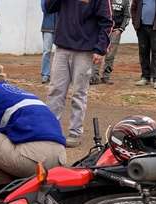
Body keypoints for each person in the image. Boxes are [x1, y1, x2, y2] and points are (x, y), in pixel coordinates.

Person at [45, 0, 113, 148]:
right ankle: (50, 131)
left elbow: (106, 21)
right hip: (62, 47)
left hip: (85, 50)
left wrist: (100, 48)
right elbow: (49, 8)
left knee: (79, 93)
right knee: (55, 91)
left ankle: (75, 133)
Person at [90, 0, 130, 85]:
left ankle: (106, 77)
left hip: (115, 31)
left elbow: (127, 16)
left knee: (110, 55)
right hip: (102, 31)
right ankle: (94, 77)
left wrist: (121, 29)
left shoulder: (125, 1)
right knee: (98, 52)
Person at [131, 0, 156, 90]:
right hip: (142, 28)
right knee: (143, 52)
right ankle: (145, 77)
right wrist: (135, 23)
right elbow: (133, 8)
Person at [40, 0, 57, 84]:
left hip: (60, 27)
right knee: (46, 51)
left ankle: (58, 75)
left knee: (61, 53)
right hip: (47, 27)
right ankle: (45, 74)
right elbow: (44, 8)